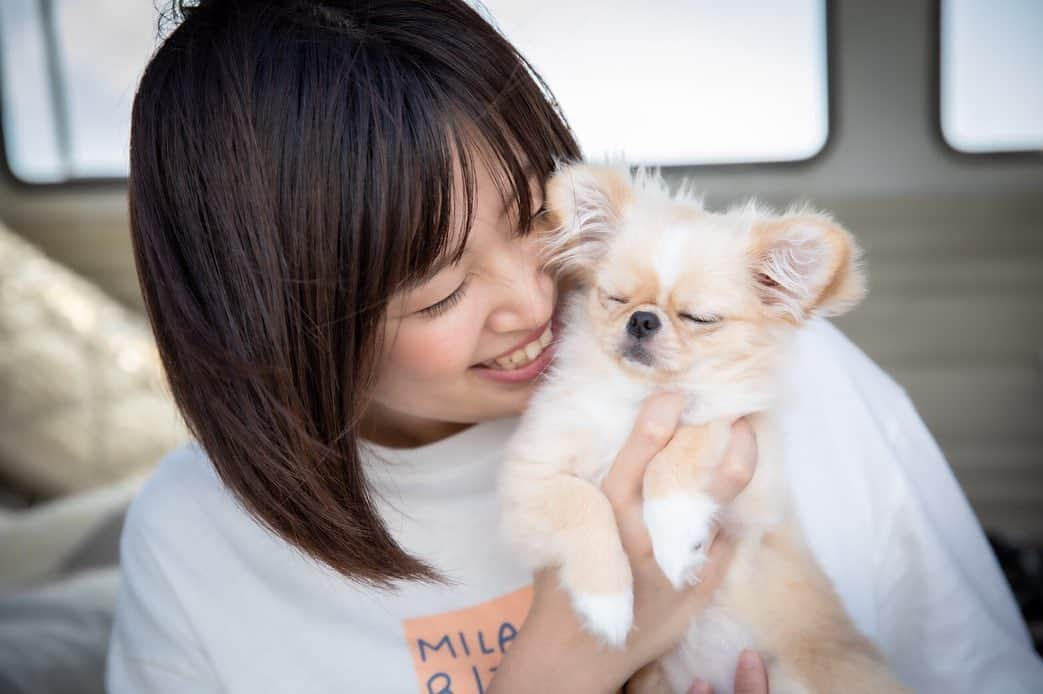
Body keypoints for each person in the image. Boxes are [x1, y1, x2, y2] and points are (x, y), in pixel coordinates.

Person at [107, 1, 1043, 692]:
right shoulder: (197, 542)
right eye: (439, 289)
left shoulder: (764, 381)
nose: (533, 300)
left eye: (536, 222)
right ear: (271, 322)